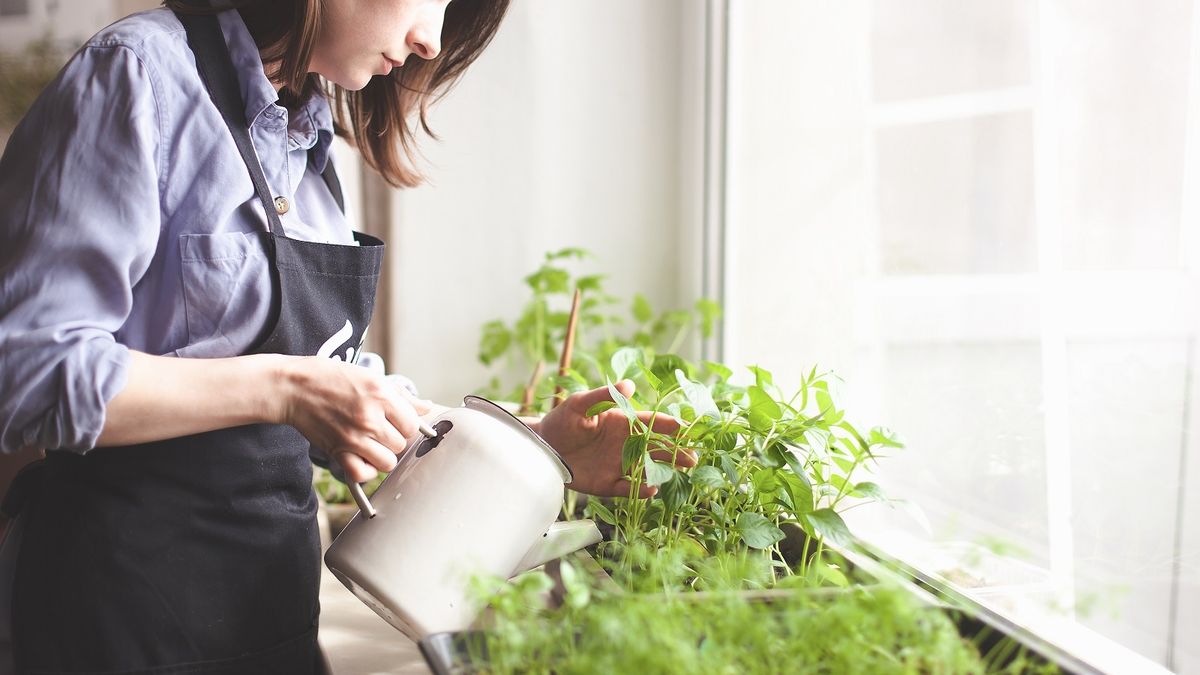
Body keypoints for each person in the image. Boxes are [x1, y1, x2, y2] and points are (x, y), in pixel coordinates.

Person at [0, 1, 691, 673]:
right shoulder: (137, 77)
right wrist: (287, 385)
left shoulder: (310, 143)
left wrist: (532, 448)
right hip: (117, 622)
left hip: (265, 623)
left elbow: (345, 397)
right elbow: (27, 372)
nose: (431, 38)